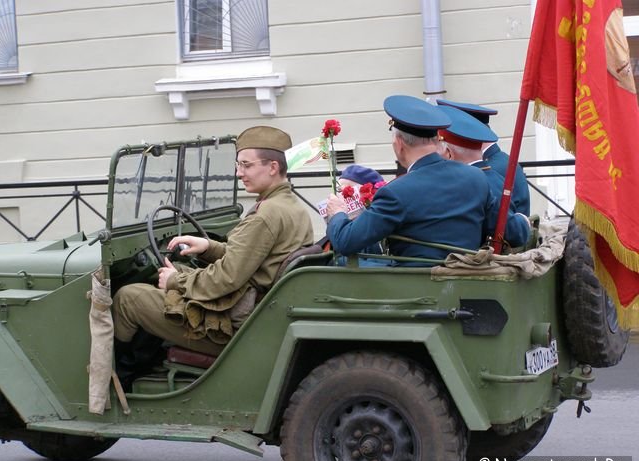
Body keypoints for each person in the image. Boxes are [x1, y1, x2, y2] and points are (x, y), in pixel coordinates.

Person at [112, 126, 314, 384]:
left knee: (128, 298)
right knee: (167, 277)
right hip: (258, 314)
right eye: (238, 165)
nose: (239, 173)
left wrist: (176, 281)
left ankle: (121, 383)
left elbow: (226, 278)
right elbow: (252, 258)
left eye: (246, 165)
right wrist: (208, 247)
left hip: (235, 327)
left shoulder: (266, 215)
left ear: (273, 167)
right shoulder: (290, 206)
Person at [325, 95, 495, 265]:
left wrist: (337, 213)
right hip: (469, 278)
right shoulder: (477, 177)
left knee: (341, 262)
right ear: (437, 140)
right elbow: (503, 229)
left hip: (416, 284)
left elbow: (346, 242)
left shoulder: (396, 192)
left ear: (399, 143)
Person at [437, 105, 530, 248]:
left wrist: (522, 222)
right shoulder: (488, 172)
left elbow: (511, 231)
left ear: (449, 153)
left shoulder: (481, 178)